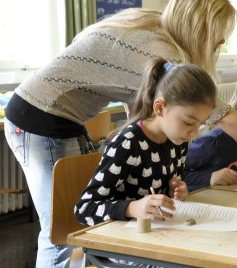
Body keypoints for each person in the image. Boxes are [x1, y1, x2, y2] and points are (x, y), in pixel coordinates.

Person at [3, 0, 237, 268]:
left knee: (82, 226)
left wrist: (169, 186)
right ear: (200, 29)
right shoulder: (159, 52)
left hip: (64, 117)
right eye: (217, 37)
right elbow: (224, 116)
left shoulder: (157, 31)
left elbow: (141, 108)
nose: (220, 43)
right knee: (61, 232)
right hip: (39, 115)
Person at [75, 59, 214, 226]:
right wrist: (132, 208)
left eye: (201, 123)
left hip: (155, 235)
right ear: (160, 108)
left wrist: (173, 192)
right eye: (188, 122)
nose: (194, 132)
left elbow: (159, 194)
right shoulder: (127, 144)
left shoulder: (178, 140)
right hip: (118, 242)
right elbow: (84, 209)